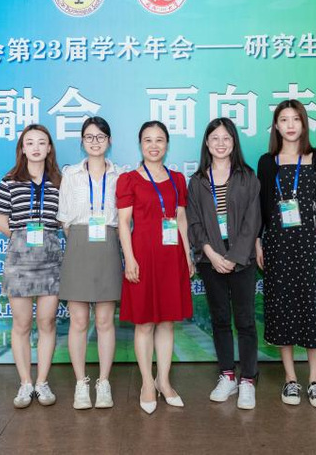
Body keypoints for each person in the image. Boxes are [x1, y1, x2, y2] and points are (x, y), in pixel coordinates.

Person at [256, 100, 316, 409]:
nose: (290, 125)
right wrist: (259, 241)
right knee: (283, 306)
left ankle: (314, 381)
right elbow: (262, 207)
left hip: (308, 242)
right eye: (284, 120)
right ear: (276, 126)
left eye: (296, 119)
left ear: (304, 124)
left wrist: (307, 215)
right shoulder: (268, 162)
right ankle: (291, 379)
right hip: (277, 242)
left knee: (312, 304)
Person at [116, 121, 194, 415]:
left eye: (159, 140)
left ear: (167, 144)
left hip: (172, 258)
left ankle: (164, 380)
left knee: (167, 322)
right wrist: (129, 258)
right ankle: (147, 383)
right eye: (148, 140)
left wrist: (187, 255)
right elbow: (124, 222)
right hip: (143, 259)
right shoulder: (129, 180)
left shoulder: (177, 179)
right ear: (140, 144)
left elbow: (181, 220)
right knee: (145, 323)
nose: (153, 145)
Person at [187, 118, 261, 410]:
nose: (220, 143)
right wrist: (212, 254)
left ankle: (248, 380)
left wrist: (234, 257)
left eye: (226, 138)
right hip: (211, 260)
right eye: (215, 138)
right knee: (220, 319)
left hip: (242, 260)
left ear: (233, 142)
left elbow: (253, 221)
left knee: (245, 321)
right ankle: (227, 376)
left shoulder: (247, 176)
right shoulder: (197, 181)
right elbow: (194, 223)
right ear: (207, 143)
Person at [0, 124, 63, 409]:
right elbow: (0, 221)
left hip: (51, 260)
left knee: (47, 322)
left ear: (49, 148)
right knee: (21, 324)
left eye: (41, 142)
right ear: (22, 148)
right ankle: (25, 383)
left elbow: (64, 220)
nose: (35, 147)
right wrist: (22, 240)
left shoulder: (59, 181)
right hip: (19, 261)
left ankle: (42, 382)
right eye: (29, 142)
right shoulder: (9, 181)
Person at [57, 117, 123, 410]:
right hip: (79, 245)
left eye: (100, 137)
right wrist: (81, 237)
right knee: (79, 321)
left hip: (108, 244)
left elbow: (123, 219)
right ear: (82, 141)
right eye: (89, 137)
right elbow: (65, 220)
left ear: (109, 141)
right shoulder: (70, 174)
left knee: (105, 321)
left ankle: (104, 382)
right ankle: (81, 383)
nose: (95, 142)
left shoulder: (121, 175)